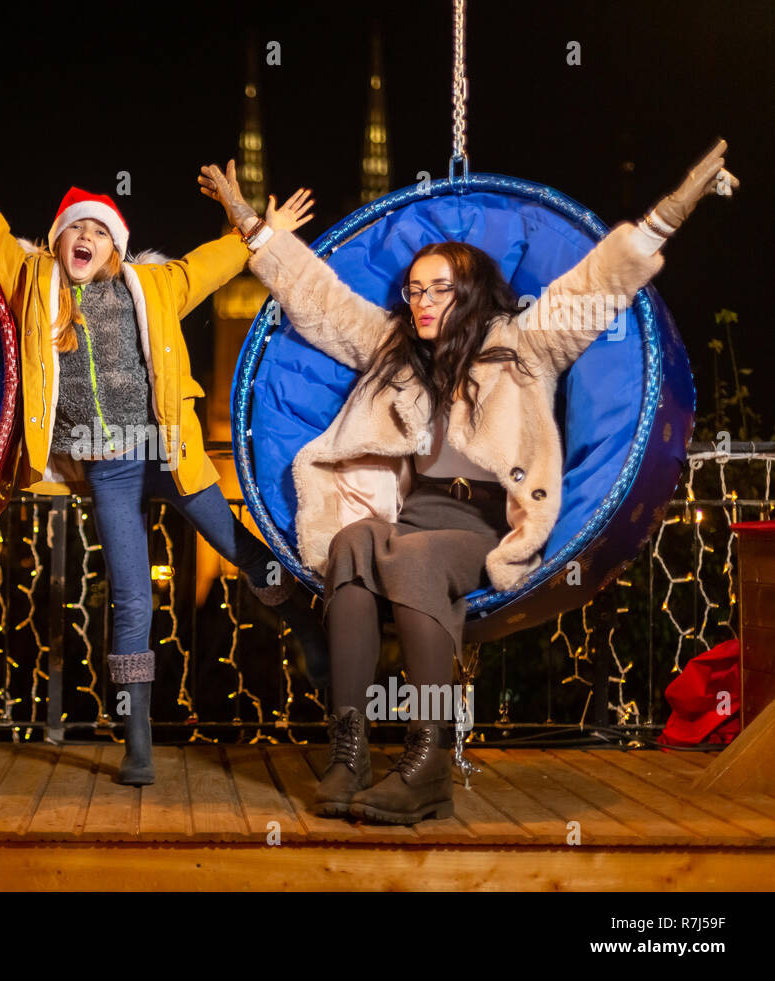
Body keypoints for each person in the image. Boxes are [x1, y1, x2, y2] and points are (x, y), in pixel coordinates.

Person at [200, 139, 738, 823]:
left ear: (473, 290)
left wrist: (672, 209)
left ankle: (427, 763)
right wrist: (250, 222)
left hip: (485, 520)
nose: (421, 301)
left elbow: (600, 284)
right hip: (413, 513)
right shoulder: (391, 346)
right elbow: (318, 300)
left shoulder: (527, 343)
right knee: (353, 545)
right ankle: (350, 752)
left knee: (410, 553)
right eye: (413, 289)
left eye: (437, 289)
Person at [0, 90, 326, 786]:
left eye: (98, 232)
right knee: (132, 598)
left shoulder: (154, 285)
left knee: (239, 547)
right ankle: (137, 736)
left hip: (169, 450)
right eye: (75, 228)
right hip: (107, 468)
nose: (85, 239)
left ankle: (308, 630)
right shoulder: (32, 281)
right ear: (57, 238)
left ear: (115, 245)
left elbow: (221, 260)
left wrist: (259, 221)